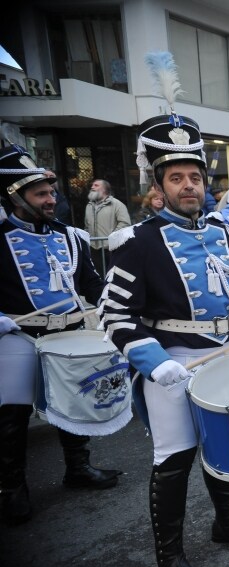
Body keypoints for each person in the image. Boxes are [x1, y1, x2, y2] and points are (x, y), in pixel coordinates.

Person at [100, 60, 229, 567]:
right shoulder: (135, 243)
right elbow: (114, 315)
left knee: (225, 446)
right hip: (172, 363)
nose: (189, 186)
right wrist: (150, 360)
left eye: (196, 176)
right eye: (176, 178)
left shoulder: (226, 236)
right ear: (157, 186)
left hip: (227, 353)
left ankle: (226, 524)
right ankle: (171, 557)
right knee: (176, 457)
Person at [0, 146, 123, 526]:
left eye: (51, 193)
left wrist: (114, 304)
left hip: (68, 330)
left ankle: (78, 468)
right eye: (41, 194)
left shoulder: (71, 236)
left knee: (74, 400)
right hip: (18, 334)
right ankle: (12, 487)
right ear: (14, 196)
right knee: (12, 415)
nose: (51, 200)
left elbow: (91, 283)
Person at [84, 178, 131, 272]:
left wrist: (112, 238)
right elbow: (86, 225)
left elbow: (125, 223)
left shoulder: (117, 204)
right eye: (92, 185)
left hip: (111, 249)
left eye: (96, 185)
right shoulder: (89, 206)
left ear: (104, 189)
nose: (92, 187)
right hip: (94, 249)